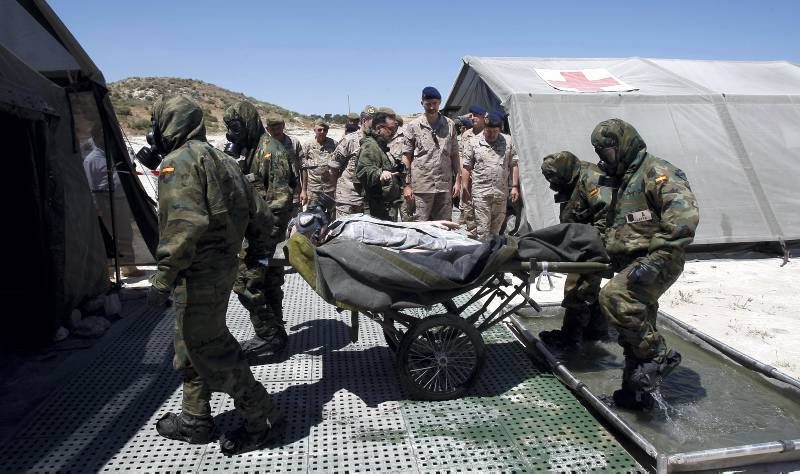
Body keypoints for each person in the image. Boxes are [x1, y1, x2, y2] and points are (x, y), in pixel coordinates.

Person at [146, 95, 283, 455]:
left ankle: (262, 416)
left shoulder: (178, 163)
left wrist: (162, 277)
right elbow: (263, 215)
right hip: (222, 268)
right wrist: (256, 253)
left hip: (196, 273)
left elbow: (183, 225)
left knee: (211, 348)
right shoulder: (225, 160)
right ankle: (195, 419)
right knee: (188, 345)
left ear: (169, 123)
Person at [592, 118, 699, 410]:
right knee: (635, 326)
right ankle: (636, 395)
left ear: (625, 145)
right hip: (635, 261)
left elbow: (684, 218)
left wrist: (656, 258)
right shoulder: (624, 177)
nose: (605, 159)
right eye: (601, 154)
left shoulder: (657, 172)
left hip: (660, 259)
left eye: (610, 152)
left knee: (615, 296)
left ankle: (659, 356)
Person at [223, 101, 293, 362]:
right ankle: (276, 336)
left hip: (263, 237)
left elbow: (280, 202)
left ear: (249, 123)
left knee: (246, 284)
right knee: (269, 282)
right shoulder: (254, 150)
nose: (232, 134)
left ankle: (268, 335)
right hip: (260, 235)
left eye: (235, 127)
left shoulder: (270, 152)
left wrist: (262, 244)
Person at [537, 151, 611, 347]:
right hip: (582, 242)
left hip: (596, 243)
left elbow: (605, 217)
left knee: (578, 288)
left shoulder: (593, 180)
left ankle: (571, 337)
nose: (552, 183)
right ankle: (594, 331)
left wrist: (593, 249)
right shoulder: (570, 180)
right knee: (586, 287)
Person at [79, 120, 143, 278]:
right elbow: (90, 184)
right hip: (104, 203)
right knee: (107, 237)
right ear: (96, 136)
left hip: (119, 200)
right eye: (101, 134)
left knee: (125, 234)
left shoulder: (114, 154)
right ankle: (108, 272)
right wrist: (96, 208)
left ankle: (128, 266)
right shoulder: (91, 160)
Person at [401, 87, 461, 221]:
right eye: (428, 104)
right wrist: (406, 185)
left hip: (444, 187)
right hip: (421, 187)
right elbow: (406, 157)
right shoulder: (413, 126)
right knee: (419, 227)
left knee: (444, 227)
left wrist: (458, 181)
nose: (432, 107)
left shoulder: (450, 125)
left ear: (440, 102)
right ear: (422, 103)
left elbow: (455, 155)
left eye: (435, 103)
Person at [461, 112, 520, 240]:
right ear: (484, 128)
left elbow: (514, 164)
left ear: (500, 129)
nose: (492, 134)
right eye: (489, 131)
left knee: (496, 231)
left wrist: (515, 186)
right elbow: (466, 166)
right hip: (481, 193)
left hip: (500, 192)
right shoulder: (473, 142)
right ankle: (482, 256)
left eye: (495, 131)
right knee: (483, 230)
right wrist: (464, 186)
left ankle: (493, 256)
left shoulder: (508, 141)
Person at [328, 105, 375, 218]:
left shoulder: (376, 141)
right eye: (375, 121)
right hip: (348, 199)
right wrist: (335, 191)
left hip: (368, 200)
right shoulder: (349, 140)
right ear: (364, 121)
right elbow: (333, 167)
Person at [356, 112, 402, 220]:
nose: (393, 133)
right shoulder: (371, 145)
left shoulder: (380, 146)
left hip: (385, 206)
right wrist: (380, 173)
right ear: (379, 129)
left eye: (394, 129)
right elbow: (364, 170)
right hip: (377, 208)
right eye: (390, 129)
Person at [265, 114, 304, 221]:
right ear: (267, 129)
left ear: (283, 126)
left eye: (278, 127)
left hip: (294, 195)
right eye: (273, 128)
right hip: (271, 197)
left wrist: (304, 190)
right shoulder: (263, 145)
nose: (276, 131)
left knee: (295, 225)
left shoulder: (294, 143)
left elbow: (303, 167)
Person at [458, 105, 486, 238]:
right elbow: (461, 156)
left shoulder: (489, 133)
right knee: (468, 207)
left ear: (483, 117)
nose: (473, 118)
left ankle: (484, 237)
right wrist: (462, 175)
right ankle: (472, 235)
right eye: (472, 116)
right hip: (468, 179)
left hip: (483, 180)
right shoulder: (466, 135)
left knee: (484, 210)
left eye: (477, 115)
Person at [300, 120, 337, 219]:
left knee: (331, 217)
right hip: (313, 189)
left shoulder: (334, 144)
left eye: (325, 130)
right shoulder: (307, 146)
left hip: (330, 190)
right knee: (311, 217)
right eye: (319, 130)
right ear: (314, 130)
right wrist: (304, 190)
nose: (322, 132)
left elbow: (338, 166)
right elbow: (304, 169)